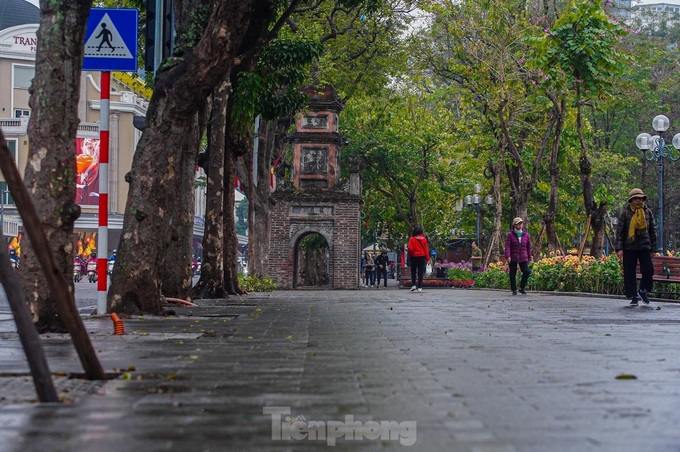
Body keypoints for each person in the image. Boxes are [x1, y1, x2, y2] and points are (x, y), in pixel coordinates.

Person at [616, 188, 657, 306]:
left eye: (640, 198)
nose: (638, 200)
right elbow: (620, 231)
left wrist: (654, 249)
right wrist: (619, 248)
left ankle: (643, 290)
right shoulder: (625, 213)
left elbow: (653, 231)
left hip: (645, 246)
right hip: (629, 247)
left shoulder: (647, 212)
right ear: (631, 200)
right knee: (629, 273)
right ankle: (633, 296)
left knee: (648, 270)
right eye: (636, 198)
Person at [505, 217, 533, 295]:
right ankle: (514, 289)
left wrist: (529, 257)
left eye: (521, 224)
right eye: (518, 224)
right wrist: (508, 256)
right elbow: (507, 246)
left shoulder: (526, 235)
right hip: (513, 256)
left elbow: (528, 247)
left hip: (523, 256)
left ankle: (522, 287)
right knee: (513, 273)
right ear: (514, 225)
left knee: (526, 271)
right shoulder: (510, 235)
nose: (520, 225)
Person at [408, 226, 430, 292]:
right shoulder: (424, 239)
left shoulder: (412, 239)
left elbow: (410, 249)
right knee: (420, 273)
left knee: (413, 272)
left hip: (414, 257)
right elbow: (426, 250)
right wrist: (428, 259)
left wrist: (411, 255)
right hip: (422, 257)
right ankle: (420, 287)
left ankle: (413, 285)